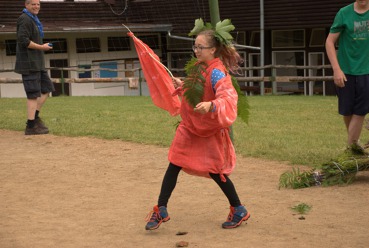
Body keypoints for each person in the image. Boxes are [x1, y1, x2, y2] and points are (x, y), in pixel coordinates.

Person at [145, 29, 250, 230]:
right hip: (190, 127)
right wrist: (183, 85)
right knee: (174, 162)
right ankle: (161, 208)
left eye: (200, 47)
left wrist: (212, 105)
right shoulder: (200, 68)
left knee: (214, 171)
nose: (196, 50)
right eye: (195, 46)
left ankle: (238, 208)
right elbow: (198, 91)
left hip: (208, 130)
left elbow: (228, 97)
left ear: (213, 49)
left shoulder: (218, 71)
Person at [325, 0, 369, 151]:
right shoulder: (344, 13)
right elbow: (329, 42)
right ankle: (354, 144)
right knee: (347, 110)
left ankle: (351, 149)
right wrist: (336, 69)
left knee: (361, 110)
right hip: (345, 71)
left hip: (366, 70)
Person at [15, 0, 54, 135]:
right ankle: (31, 126)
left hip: (38, 62)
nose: (36, 6)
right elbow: (23, 40)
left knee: (47, 89)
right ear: (26, 5)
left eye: (38, 4)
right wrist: (42, 47)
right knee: (33, 95)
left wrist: (43, 46)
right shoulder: (24, 19)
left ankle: (35, 118)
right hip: (29, 63)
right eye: (33, 4)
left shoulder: (34, 19)